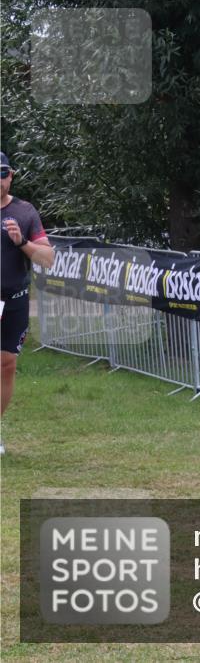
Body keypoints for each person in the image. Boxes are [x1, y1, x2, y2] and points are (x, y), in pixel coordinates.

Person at [1, 152, 56, 453]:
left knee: (6, 365)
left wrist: (22, 242)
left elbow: (47, 259)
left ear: (11, 176)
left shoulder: (24, 211)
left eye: (2, 173)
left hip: (14, 300)